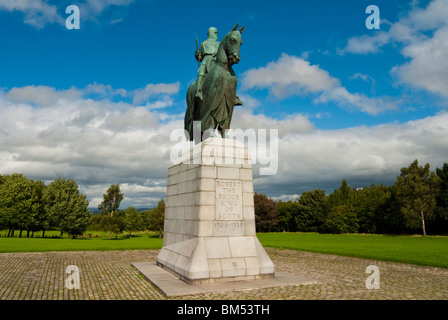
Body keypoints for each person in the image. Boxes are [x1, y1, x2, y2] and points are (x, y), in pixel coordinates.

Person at [195, 27, 219, 100]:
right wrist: (197, 55)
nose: (216, 35)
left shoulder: (220, 44)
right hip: (206, 60)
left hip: (217, 61)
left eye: (217, 33)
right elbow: (200, 57)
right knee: (201, 73)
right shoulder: (203, 44)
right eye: (215, 33)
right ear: (211, 33)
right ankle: (199, 91)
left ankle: (234, 96)